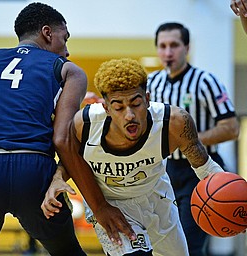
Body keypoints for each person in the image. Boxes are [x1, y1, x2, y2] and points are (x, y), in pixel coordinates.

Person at [0, 2, 135, 255]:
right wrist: (99, 206)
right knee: (67, 251)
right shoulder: (68, 70)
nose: (67, 50)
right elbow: (62, 140)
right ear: (47, 33)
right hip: (34, 172)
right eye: (64, 38)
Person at [40, 58, 235, 256]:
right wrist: (57, 178)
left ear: (148, 99)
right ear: (106, 108)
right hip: (110, 203)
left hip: (157, 200)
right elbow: (72, 159)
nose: (129, 115)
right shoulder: (86, 124)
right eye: (118, 107)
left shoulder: (174, 122)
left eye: (136, 103)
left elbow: (207, 170)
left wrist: (237, 206)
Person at [147, 22, 240, 256]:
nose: (168, 52)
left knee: (190, 242)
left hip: (198, 168)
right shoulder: (150, 83)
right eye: (163, 46)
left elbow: (231, 128)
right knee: (161, 241)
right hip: (162, 170)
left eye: (174, 45)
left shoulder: (205, 81)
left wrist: (188, 140)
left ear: (186, 47)